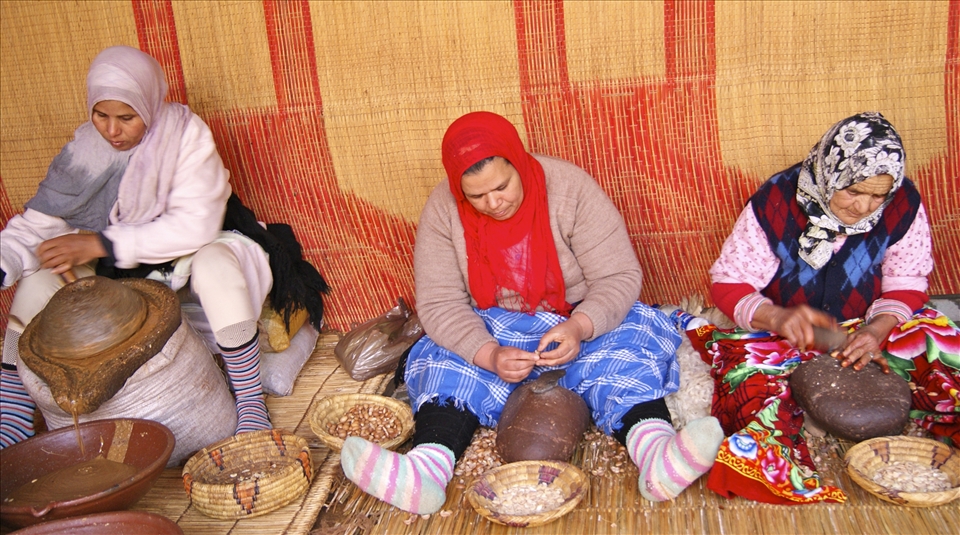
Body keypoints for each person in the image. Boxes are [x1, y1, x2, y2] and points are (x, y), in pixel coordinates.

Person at [338, 111, 724, 514]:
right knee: (443, 358)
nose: (493, 202)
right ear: (458, 189)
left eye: (501, 187)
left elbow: (618, 276)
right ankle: (424, 473)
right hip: (494, 327)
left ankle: (656, 454)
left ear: (519, 162)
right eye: (476, 195)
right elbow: (440, 304)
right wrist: (488, 354)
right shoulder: (442, 209)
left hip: (579, 319)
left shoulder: (570, 189)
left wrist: (578, 327)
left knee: (629, 345)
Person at [0, 46, 328, 447]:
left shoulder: (186, 137)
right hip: (122, 269)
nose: (112, 131)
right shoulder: (84, 152)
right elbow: (38, 224)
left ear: (150, 104)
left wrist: (99, 242)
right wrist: (8, 259)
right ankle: (13, 416)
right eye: (100, 115)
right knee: (36, 284)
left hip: (201, 249)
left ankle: (249, 401)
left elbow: (195, 226)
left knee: (215, 267)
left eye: (126, 117)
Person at [697, 111, 959, 505]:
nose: (864, 207)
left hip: (865, 329)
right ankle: (775, 462)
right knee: (746, 380)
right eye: (853, 191)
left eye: (877, 195)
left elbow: (908, 281)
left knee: (941, 340)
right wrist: (778, 316)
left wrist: (877, 330)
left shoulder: (903, 203)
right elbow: (728, 283)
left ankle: (940, 421)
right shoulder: (776, 200)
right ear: (828, 172)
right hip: (787, 330)